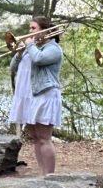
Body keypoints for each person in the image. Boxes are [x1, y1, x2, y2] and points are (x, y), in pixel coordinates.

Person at [8, 15, 63, 176]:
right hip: (29, 97)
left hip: (44, 95)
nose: (29, 31)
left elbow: (39, 59)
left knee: (44, 137)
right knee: (35, 136)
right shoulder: (30, 48)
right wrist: (19, 52)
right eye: (29, 28)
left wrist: (30, 45)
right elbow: (13, 67)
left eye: (33, 28)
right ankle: (43, 174)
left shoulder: (53, 48)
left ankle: (50, 175)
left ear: (44, 30)